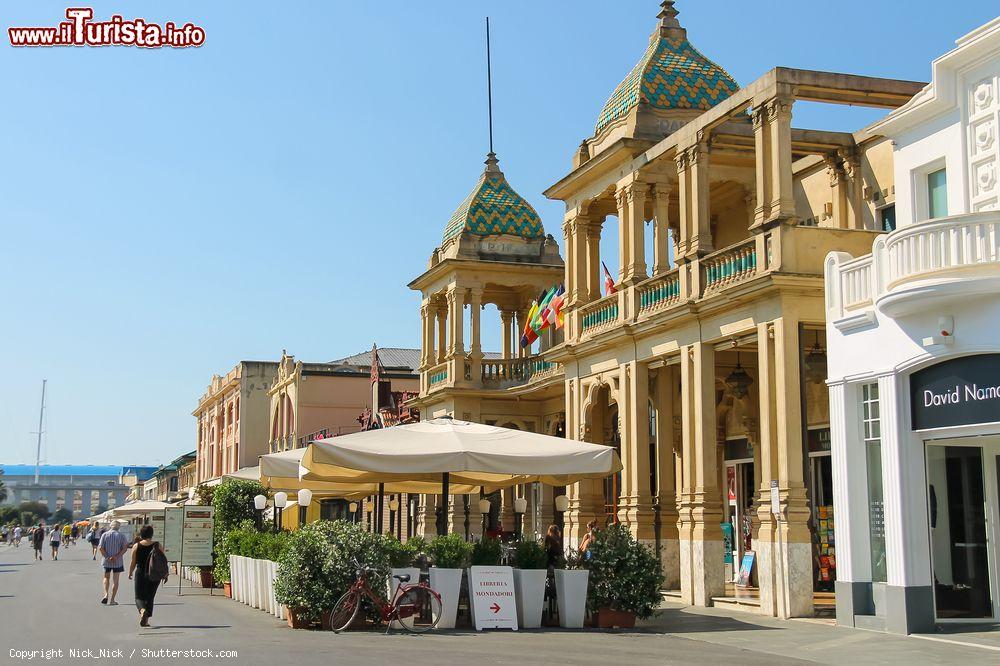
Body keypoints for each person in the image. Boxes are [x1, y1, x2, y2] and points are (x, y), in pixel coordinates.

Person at [128, 525, 166, 627]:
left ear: (141, 534)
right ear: (151, 534)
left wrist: (130, 572)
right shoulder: (158, 545)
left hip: (141, 573)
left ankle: (142, 611)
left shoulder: (136, 546)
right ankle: (146, 620)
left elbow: (133, 562)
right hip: (154, 574)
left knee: (139, 597)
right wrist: (165, 573)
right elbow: (163, 560)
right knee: (150, 597)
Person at [98, 521, 128, 606]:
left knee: (106, 577)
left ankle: (106, 594)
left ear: (110, 526)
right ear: (119, 527)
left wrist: (107, 557)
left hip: (106, 561)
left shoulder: (104, 535)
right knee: (116, 580)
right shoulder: (121, 536)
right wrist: (117, 556)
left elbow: (100, 548)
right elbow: (125, 548)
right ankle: (112, 600)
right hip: (117, 562)